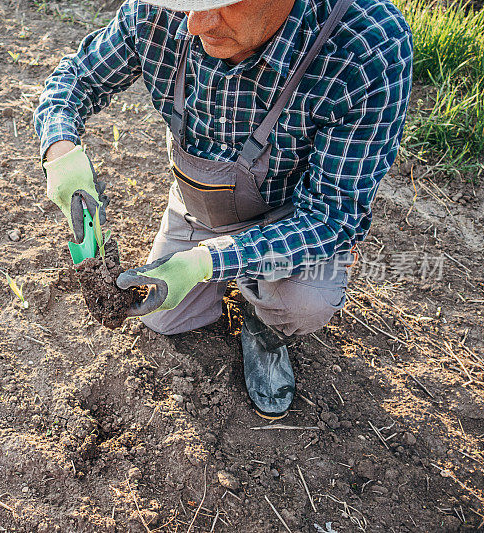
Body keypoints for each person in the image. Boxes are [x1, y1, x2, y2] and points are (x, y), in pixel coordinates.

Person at [34, 0, 412, 419]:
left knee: (302, 302)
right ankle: (228, 276)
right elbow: (75, 79)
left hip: (289, 218)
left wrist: (204, 262)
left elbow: (331, 215)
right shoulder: (157, 13)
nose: (196, 23)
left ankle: (264, 325)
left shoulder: (363, 46)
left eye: (220, 4)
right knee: (161, 317)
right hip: (200, 208)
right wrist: (60, 151)